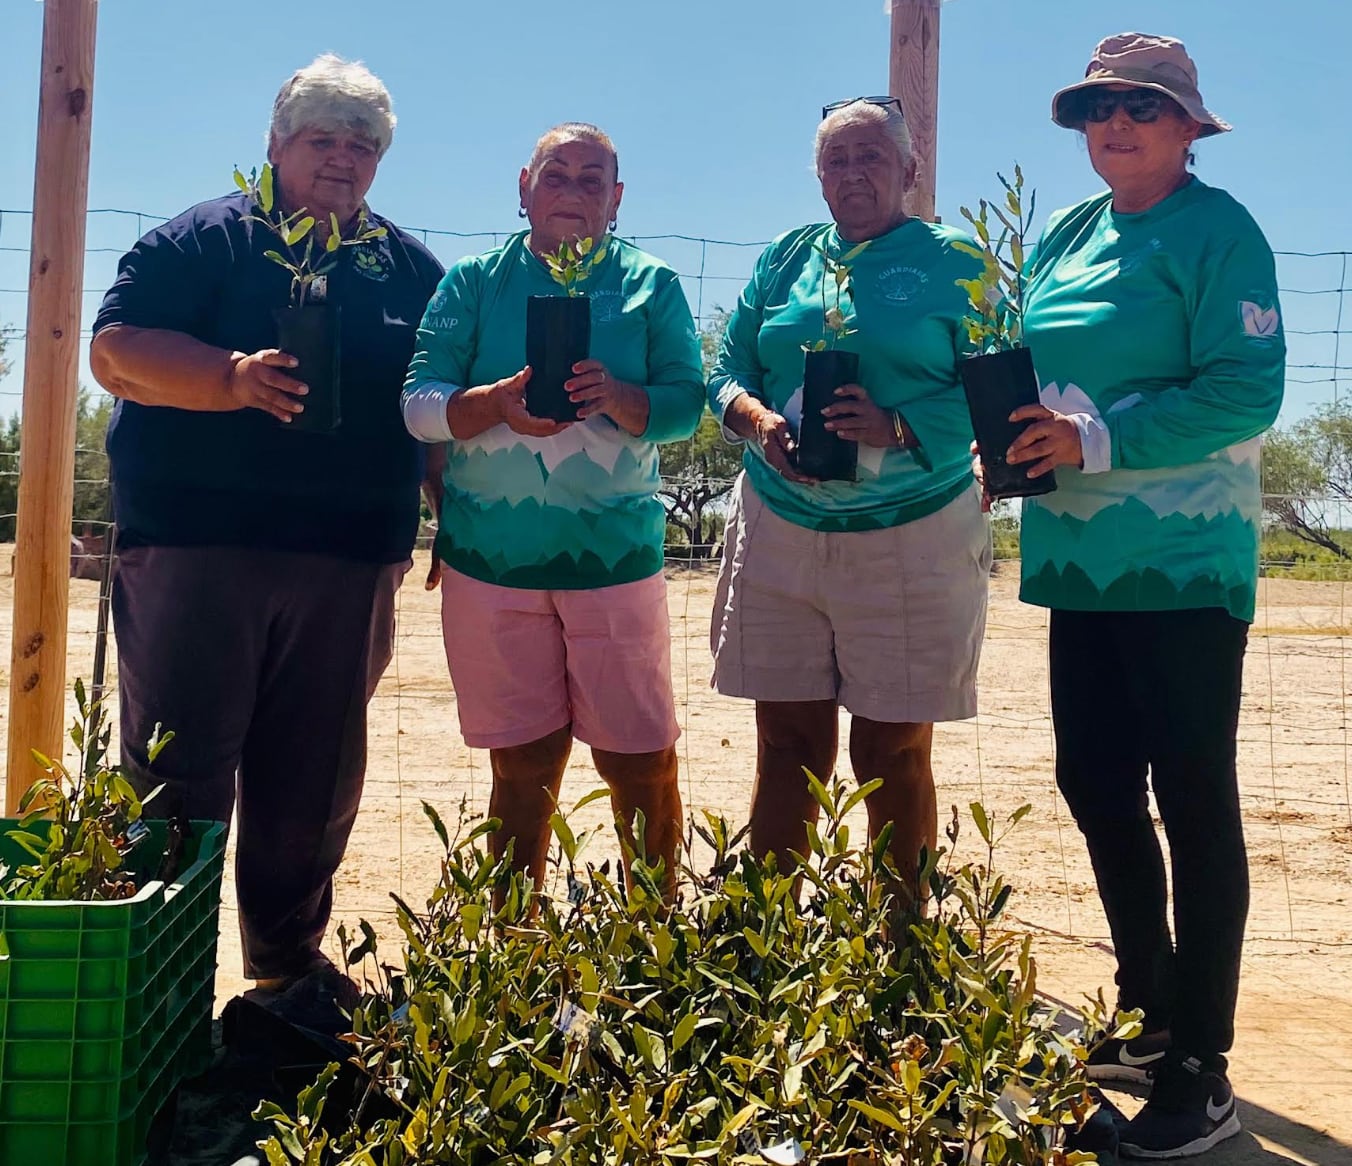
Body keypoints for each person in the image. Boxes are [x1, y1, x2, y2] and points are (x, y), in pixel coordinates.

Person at [982, 33, 1285, 1158]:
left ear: (1186, 127)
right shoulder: (1065, 234)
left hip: (1184, 562)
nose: (1113, 124)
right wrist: (1002, 449)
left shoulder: (1219, 232)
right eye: (1096, 107)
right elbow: (1030, 373)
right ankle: (1144, 1014)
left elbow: (1244, 392)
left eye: (1140, 108)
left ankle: (1199, 1063)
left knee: (1191, 793)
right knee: (1094, 777)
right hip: (1078, 563)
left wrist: (1090, 437)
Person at [90, 55, 444, 991]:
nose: (343, 158)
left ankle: (285, 979)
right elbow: (116, 353)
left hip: (350, 558)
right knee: (177, 775)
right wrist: (231, 380)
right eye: (322, 139)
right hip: (199, 548)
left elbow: (435, 409)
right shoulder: (203, 241)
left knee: (313, 782)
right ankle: (156, 987)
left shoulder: (407, 269)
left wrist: (452, 510)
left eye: (362, 145)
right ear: (277, 144)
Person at [401, 123, 704, 894]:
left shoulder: (651, 284)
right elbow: (418, 403)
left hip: (615, 561)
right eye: (557, 175)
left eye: (591, 179)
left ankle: (656, 937)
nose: (573, 191)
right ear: (524, 186)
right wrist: (493, 405)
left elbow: (684, 405)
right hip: (489, 563)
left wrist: (625, 398)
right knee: (522, 764)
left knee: (640, 758)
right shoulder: (472, 281)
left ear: (618, 198)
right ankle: (514, 946)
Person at [706, 97, 990, 898]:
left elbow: (999, 384)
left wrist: (898, 424)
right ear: (818, 176)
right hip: (780, 527)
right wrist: (755, 419)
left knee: (892, 748)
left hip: (910, 534)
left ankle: (898, 946)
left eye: (871, 157)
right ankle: (770, 947)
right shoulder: (785, 258)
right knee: (785, 737)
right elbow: (724, 368)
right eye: (837, 160)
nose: (853, 173)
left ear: (909, 170)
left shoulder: (958, 261)